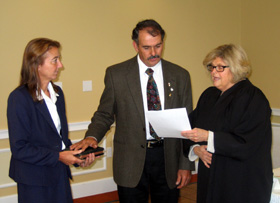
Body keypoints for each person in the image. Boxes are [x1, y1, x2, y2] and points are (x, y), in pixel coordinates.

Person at [71, 19, 194, 202]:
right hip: (130, 160)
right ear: (135, 46)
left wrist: (186, 164)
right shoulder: (117, 74)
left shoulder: (180, 75)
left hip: (168, 159)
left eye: (158, 46)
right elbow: (104, 114)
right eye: (147, 47)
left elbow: (187, 123)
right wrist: (92, 137)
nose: (153, 53)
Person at [7, 38, 95, 203]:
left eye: (58, 60)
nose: (60, 65)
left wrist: (78, 157)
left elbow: (59, 140)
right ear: (37, 64)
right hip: (34, 179)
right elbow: (20, 148)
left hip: (58, 174)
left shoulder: (57, 93)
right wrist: (59, 157)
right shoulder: (19, 98)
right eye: (54, 60)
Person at [182, 44, 273, 203]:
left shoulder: (254, 98)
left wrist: (208, 137)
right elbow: (189, 126)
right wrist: (196, 149)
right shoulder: (209, 95)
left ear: (237, 68)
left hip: (241, 181)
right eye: (211, 67)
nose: (213, 72)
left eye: (220, 68)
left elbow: (248, 143)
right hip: (210, 177)